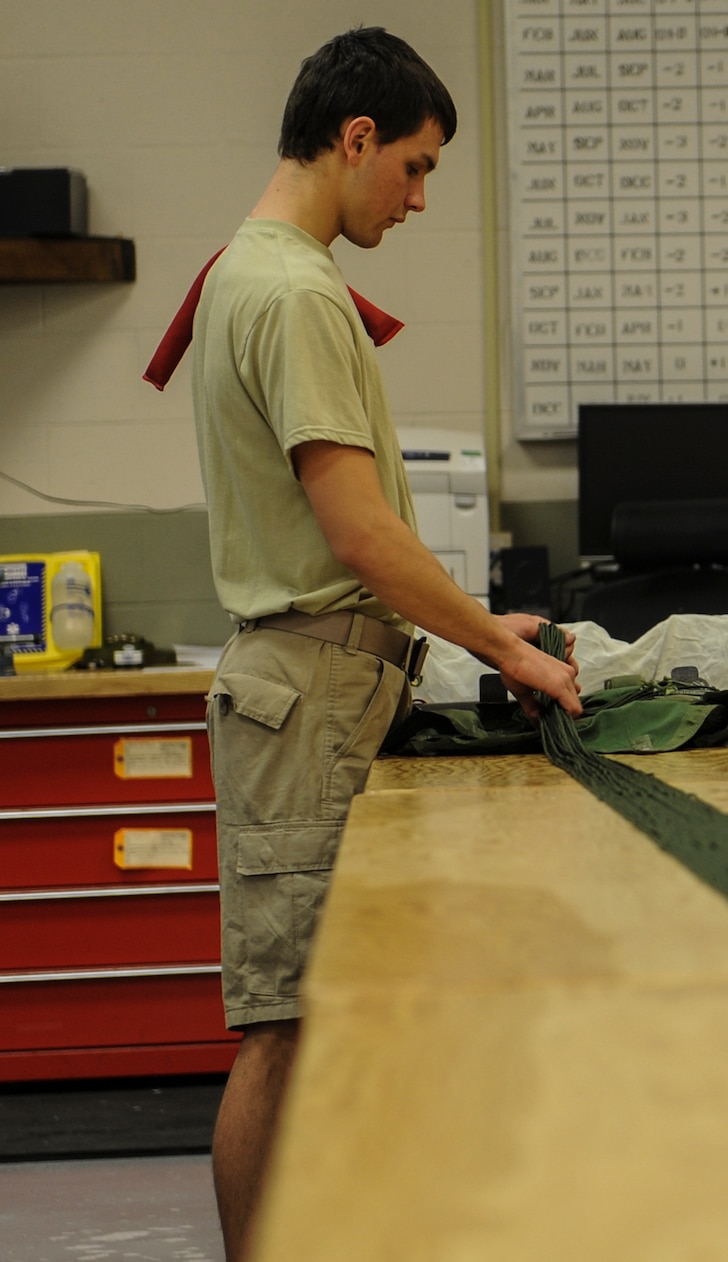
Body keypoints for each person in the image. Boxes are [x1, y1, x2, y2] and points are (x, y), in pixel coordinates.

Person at [182, 28, 584, 1259]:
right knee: (287, 1027)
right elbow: (358, 533)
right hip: (306, 690)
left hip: (323, 682)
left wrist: (480, 628)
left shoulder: (250, 270)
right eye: (414, 167)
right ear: (355, 139)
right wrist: (509, 654)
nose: (415, 200)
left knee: (324, 1015)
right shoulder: (297, 292)